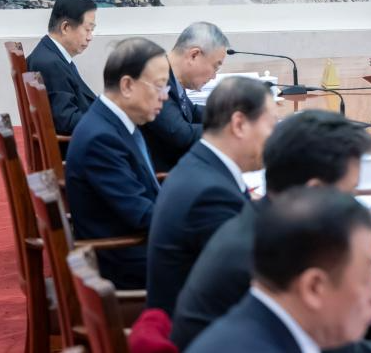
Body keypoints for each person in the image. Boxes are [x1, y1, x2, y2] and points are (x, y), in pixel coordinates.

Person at [171, 111, 371, 353]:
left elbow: (327, 316)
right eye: (349, 192)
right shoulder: (259, 253)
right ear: (315, 191)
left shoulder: (269, 225)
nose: (355, 202)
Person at [146, 76, 277, 315]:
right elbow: (250, 277)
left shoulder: (202, 165)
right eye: (270, 126)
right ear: (239, 124)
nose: (274, 138)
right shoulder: (210, 194)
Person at [65, 37, 169, 289]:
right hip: (126, 263)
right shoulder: (101, 139)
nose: (165, 96)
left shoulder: (114, 122)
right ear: (127, 85)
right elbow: (142, 215)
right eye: (159, 86)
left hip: (136, 245)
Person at [142, 22, 230, 172]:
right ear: (194, 55)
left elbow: (191, 112)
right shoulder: (155, 79)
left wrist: (228, 114)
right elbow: (181, 134)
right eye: (215, 67)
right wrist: (229, 128)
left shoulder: (169, 75)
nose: (214, 76)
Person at [26, 0, 98, 135]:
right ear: (65, 28)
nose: (90, 37)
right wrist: (107, 121)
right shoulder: (51, 64)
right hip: (80, 145)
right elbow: (67, 120)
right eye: (87, 29)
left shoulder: (49, 54)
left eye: (92, 30)